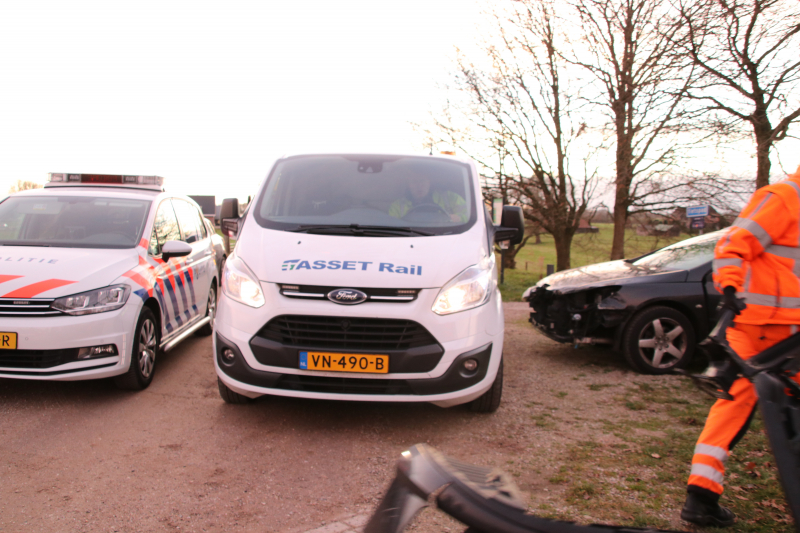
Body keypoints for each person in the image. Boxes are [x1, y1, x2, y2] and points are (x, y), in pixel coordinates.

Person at [681, 164, 800, 527]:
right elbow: (733, 244)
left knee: (750, 406)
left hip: (790, 330)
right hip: (756, 327)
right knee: (735, 406)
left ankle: (701, 496)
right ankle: (701, 496)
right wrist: (730, 289)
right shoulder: (783, 198)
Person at [388, 170, 467, 223]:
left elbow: (470, 215)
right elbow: (391, 225)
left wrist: (458, 218)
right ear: (409, 185)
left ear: (429, 182)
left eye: (422, 180)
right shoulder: (397, 206)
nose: (419, 185)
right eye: (414, 182)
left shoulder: (450, 198)